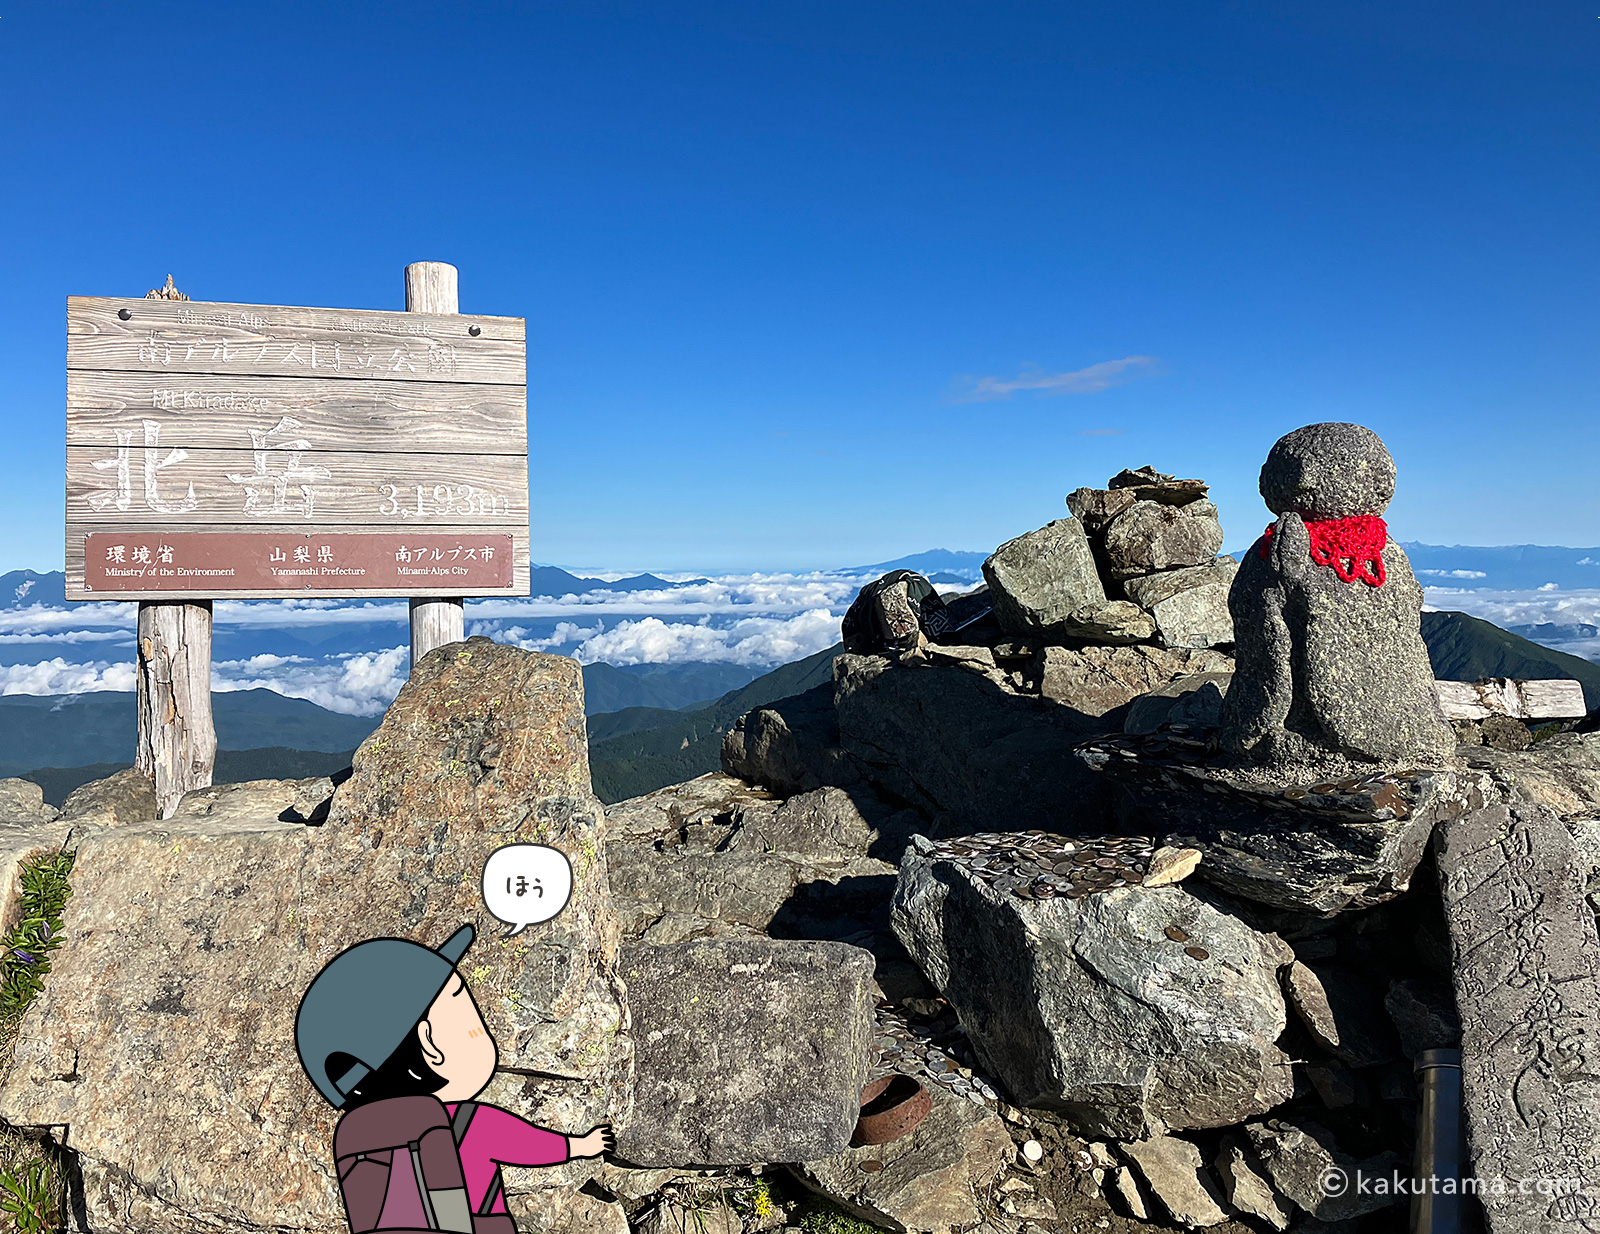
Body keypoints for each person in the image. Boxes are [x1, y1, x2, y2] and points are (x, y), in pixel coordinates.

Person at [296, 925, 612, 1231]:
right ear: (430, 1043)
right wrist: (582, 1145)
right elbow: (528, 1145)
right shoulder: (468, 1122)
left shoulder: (359, 1133)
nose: (479, 1023)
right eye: (464, 1004)